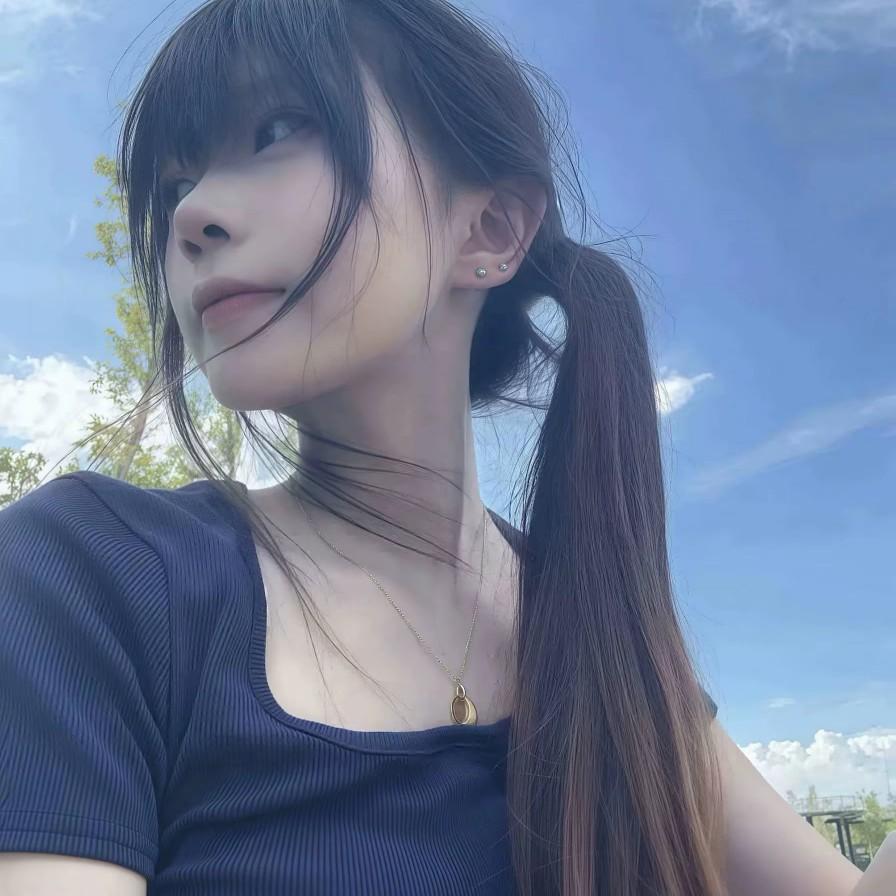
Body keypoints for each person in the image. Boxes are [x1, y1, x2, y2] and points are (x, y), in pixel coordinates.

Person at [0, 1, 876, 894]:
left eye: (277, 129)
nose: (192, 215)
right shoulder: (91, 573)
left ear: (490, 230)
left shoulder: (596, 621)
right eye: (172, 186)